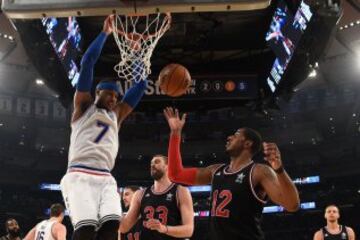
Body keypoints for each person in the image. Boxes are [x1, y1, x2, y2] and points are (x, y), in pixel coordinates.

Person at [60, 15, 148, 240]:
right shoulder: (82, 106)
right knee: (86, 231)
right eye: (110, 95)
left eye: (116, 96)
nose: (114, 99)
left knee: (111, 228)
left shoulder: (117, 114)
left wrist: (137, 52)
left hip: (106, 177)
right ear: (98, 92)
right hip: (79, 174)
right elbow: (87, 61)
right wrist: (105, 33)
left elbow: (140, 85)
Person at [163, 107, 300, 240]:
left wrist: (279, 170)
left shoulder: (259, 171)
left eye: (236, 135)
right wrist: (175, 133)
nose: (229, 137)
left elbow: (292, 205)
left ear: (247, 143)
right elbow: (175, 175)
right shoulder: (215, 170)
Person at [120, 155, 194, 239]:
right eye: (151, 163)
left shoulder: (180, 191)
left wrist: (164, 229)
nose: (152, 165)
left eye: (157, 162)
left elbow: (189, 230)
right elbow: (123, 228)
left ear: (167, 166)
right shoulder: (140, 194)